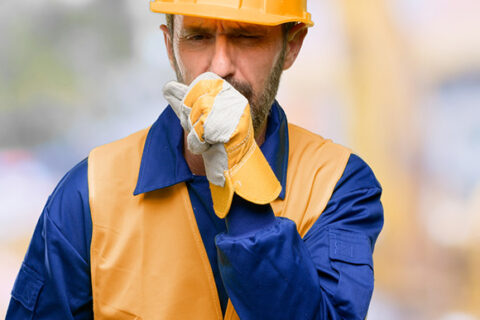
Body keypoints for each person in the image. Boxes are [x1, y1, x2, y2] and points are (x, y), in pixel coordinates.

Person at [7, 1, 384, 319]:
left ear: (291, 46)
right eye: (198, 36)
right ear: (170, 44)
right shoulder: (88, 194)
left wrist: (242, 174)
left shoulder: (337, 184)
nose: (219, 67)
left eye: (247, 36)